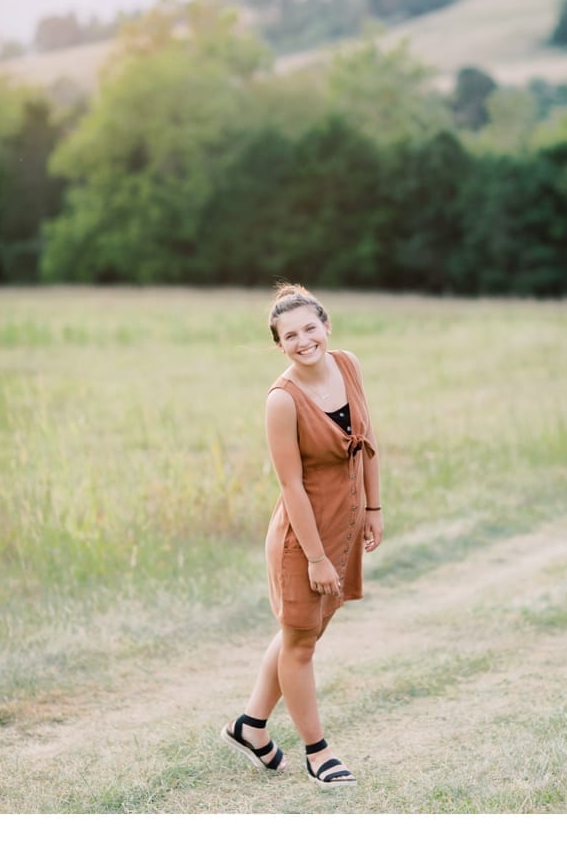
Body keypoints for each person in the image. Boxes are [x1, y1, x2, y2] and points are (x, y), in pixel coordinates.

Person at [222, 283, 384, 786]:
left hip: (345, 527)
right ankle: (319, 754)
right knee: (301, 644)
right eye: (289, 335)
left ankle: (251, 725)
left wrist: (373, 508)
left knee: (302, 634)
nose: (303, 340)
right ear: (279, 345)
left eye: (310, 328)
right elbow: (290, 485)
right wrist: (315, 558)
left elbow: (369, 440)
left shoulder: (348, 365)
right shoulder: (281, 401)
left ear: (326, 325)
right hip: (303, 540)